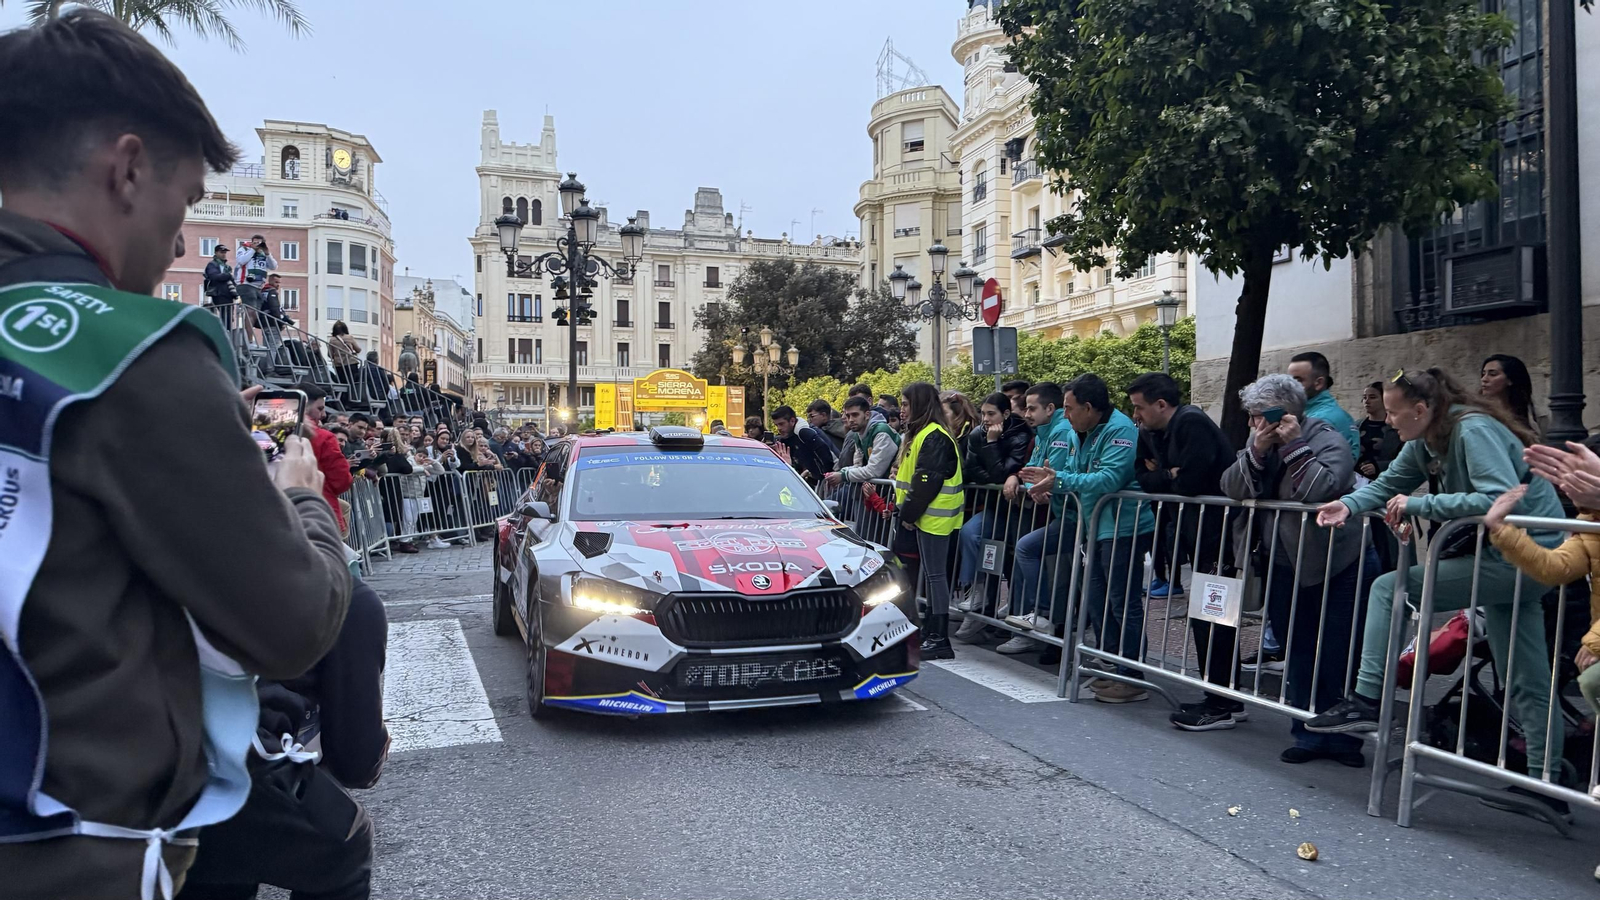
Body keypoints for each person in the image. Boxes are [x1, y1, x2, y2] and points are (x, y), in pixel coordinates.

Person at [0, 12, 351, 897]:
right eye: (187, 204)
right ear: (125, 169)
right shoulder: (131, 354)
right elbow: (291, 620)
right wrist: (303, 500)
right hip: (71, 853)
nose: (175, 251)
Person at [1310, 367, 1568, 812]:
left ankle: (1368, 698)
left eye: (1394, 412)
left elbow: (1498, 496)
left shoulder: (1472, 428)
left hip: (1522, 555)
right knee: (1524, 675)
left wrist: (1421, 504)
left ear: (1422, 409)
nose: (1388, 421)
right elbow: (1391, 483)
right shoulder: (1430, 436)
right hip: (1518, 557)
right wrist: (1348, 505)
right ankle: (1547, 783)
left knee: (1389, 588)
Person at [177, 579, 388, 900]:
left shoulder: (197, 561)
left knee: (220, 864)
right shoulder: (344, 596)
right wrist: (381, 742)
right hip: (220, 753)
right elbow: (356, 761)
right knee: (346, 842)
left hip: (146, 742)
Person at [1214, 374, 1375, 764]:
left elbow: (1321, 488)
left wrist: (1295, 445)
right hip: (1284, 560)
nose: (1254, 424)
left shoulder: (1325, 436)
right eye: (1252, 417)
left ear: (1282, 412)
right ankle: (1305, 732)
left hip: (1339, 559)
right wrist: (1256, 450)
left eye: (1259, 416)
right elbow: (1230, 487)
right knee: (1298, 647)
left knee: (1339, 649)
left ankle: (1343, 740)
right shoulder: (1259, 442)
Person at [1021, 374, 1156, 696]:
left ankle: (1132, 674)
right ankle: (1111, 662)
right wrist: (1044, 487)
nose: (1065, 416)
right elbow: (1063, 471)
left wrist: (1059, 483)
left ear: (1089, 407)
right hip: (1092, 524)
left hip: (1124, 527)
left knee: (1123, 602)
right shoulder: (1078, 431)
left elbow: (1109, 478)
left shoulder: (1120, 429)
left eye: (1069, 409)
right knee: (1097, 599)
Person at [1123, 372, 1242, 728]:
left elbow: (1190, 482)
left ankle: (1222, 701)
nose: (1136, 416)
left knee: (1215, 616)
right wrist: (1167, 474)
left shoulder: (1192, 423)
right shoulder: (1152, 432)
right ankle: (1219, 694)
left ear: (1162, 404)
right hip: (1196, 532)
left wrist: (1168, 475)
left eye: (1140, 408)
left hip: (1217, 534)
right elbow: (1142, 477)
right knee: (1205, 615)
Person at [998, 382, 1077, 658]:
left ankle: (1046, 618)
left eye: (1032, 408)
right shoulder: (1043, 432)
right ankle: (1047, 623)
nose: (1027, 414)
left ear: (1050, 408)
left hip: (1071, 514)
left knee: (1032, 552)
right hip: (1059, 511)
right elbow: (1030, 470)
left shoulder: (1060, 431)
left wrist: (1042, 485)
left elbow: (1049, 474)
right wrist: (1022, 479)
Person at [890, 382, 965, 660]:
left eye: (907, 404)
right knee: (933, 577)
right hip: (928, 517)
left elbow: (926, 481)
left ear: (920, 405)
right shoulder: (925, 434)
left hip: (934, 518)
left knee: (935, 577)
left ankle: (939, 637)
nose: (903, 409)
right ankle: (933, 633)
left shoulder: (933, 436)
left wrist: (908, 514)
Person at [952, 391, 1033, 642]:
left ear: (1006, 414)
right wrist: (997, 475)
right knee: (971, 533)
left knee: (1017, 555)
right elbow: (972, 471)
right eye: (983, 413)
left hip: (1019, 510)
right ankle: (977, 592)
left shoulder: (1021, 434)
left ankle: (1018, 616)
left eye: (991, 414)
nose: (985, 419)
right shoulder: (977, 434)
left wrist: (992, 445)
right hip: (993, 506)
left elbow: (1004, 471)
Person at [824, 395, 901, 538]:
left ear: (867, 414)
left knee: (877, 538)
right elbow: (858, 465)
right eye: (847, 415)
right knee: (864, 534)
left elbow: (874, 470)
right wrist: (839, 473)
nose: (850, 419)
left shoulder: (881, 432)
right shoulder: (858, 434)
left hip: (887, 496)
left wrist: (843, 476)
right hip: (873, 493)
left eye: (855, 414)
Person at [298, 382, 355, 534]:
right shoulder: (324, 438)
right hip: (321, 510)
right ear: (304, 406)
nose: (323, 415)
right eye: (320, 409)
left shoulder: (270, 434)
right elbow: (341, 480)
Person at [1287, 351, 1359, 459]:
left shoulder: (1320, 420)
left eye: (1298, 381)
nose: (1289, 387)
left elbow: (1308, 467)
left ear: (1319, 383)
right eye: (1288, 380)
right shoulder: (1336, 413)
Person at [1481, 353, 1545, 441]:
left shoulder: (1537, 415)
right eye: (1483, 374)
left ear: (1510, 380)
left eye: (1493, 374)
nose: (1484, 379)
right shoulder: (1478, 412)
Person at [771, 405, 835, 486]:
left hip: (826, 478)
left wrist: (826, 474)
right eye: (776, 425)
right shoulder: (787, 437)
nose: (779, 428)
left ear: (792, 421)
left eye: (781, 424)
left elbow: (824, 452)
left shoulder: (804, 432)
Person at [234, 233, 276, 343]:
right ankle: (249, 340)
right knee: (250, 311)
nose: (257, 244)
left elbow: (274, 266)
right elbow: (241, 261)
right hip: (246, 284)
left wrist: (267, 254)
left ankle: (249, 338)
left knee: (254, 314)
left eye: (259, 242)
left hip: (258, 287)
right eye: (255, 242)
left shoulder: (264, 253)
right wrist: (252, 250)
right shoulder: (244, 248)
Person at [1357, 381, 1402, 481]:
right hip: (1357, 482)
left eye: (1372, 397)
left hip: (1387, 482)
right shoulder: (1357, 426)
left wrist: (1379, 466)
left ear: (1384, 400)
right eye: (1364, 397)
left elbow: (1406, 460)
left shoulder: (1396, 427)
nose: (1367, 401)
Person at [202, 241, 238, 319]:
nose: (224, 254)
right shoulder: (212, 264)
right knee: (225, 313)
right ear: (216, 253)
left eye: (225, 252)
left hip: (228, 293)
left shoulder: (226, 266)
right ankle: (225, 329)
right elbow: (214, 276)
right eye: (221, 252)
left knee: (229, 315)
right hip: (218, 292)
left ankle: (227, 330)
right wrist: (228, 275)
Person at [329, 320, 362, 391]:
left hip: (339, 365)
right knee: (353, 383)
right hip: (351, 363)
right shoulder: (350, 337)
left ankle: (343, 398)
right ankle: (352, 397)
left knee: (342, 384)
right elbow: (358, 350)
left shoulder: (332, 340)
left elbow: (330, 354)